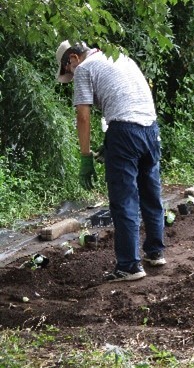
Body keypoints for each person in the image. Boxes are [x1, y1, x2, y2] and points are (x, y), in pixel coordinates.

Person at [55, 40, 166, 282]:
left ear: (73, 58)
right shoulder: (120, 57)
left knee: (123, 198)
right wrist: (111, 142)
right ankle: (155, 252)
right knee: (150, 191)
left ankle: (129, 266)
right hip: (151, 129)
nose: (72, 77)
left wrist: (85, 157)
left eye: (68, 71)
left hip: (125, 131)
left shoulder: (84, 68)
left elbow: (83, 116)